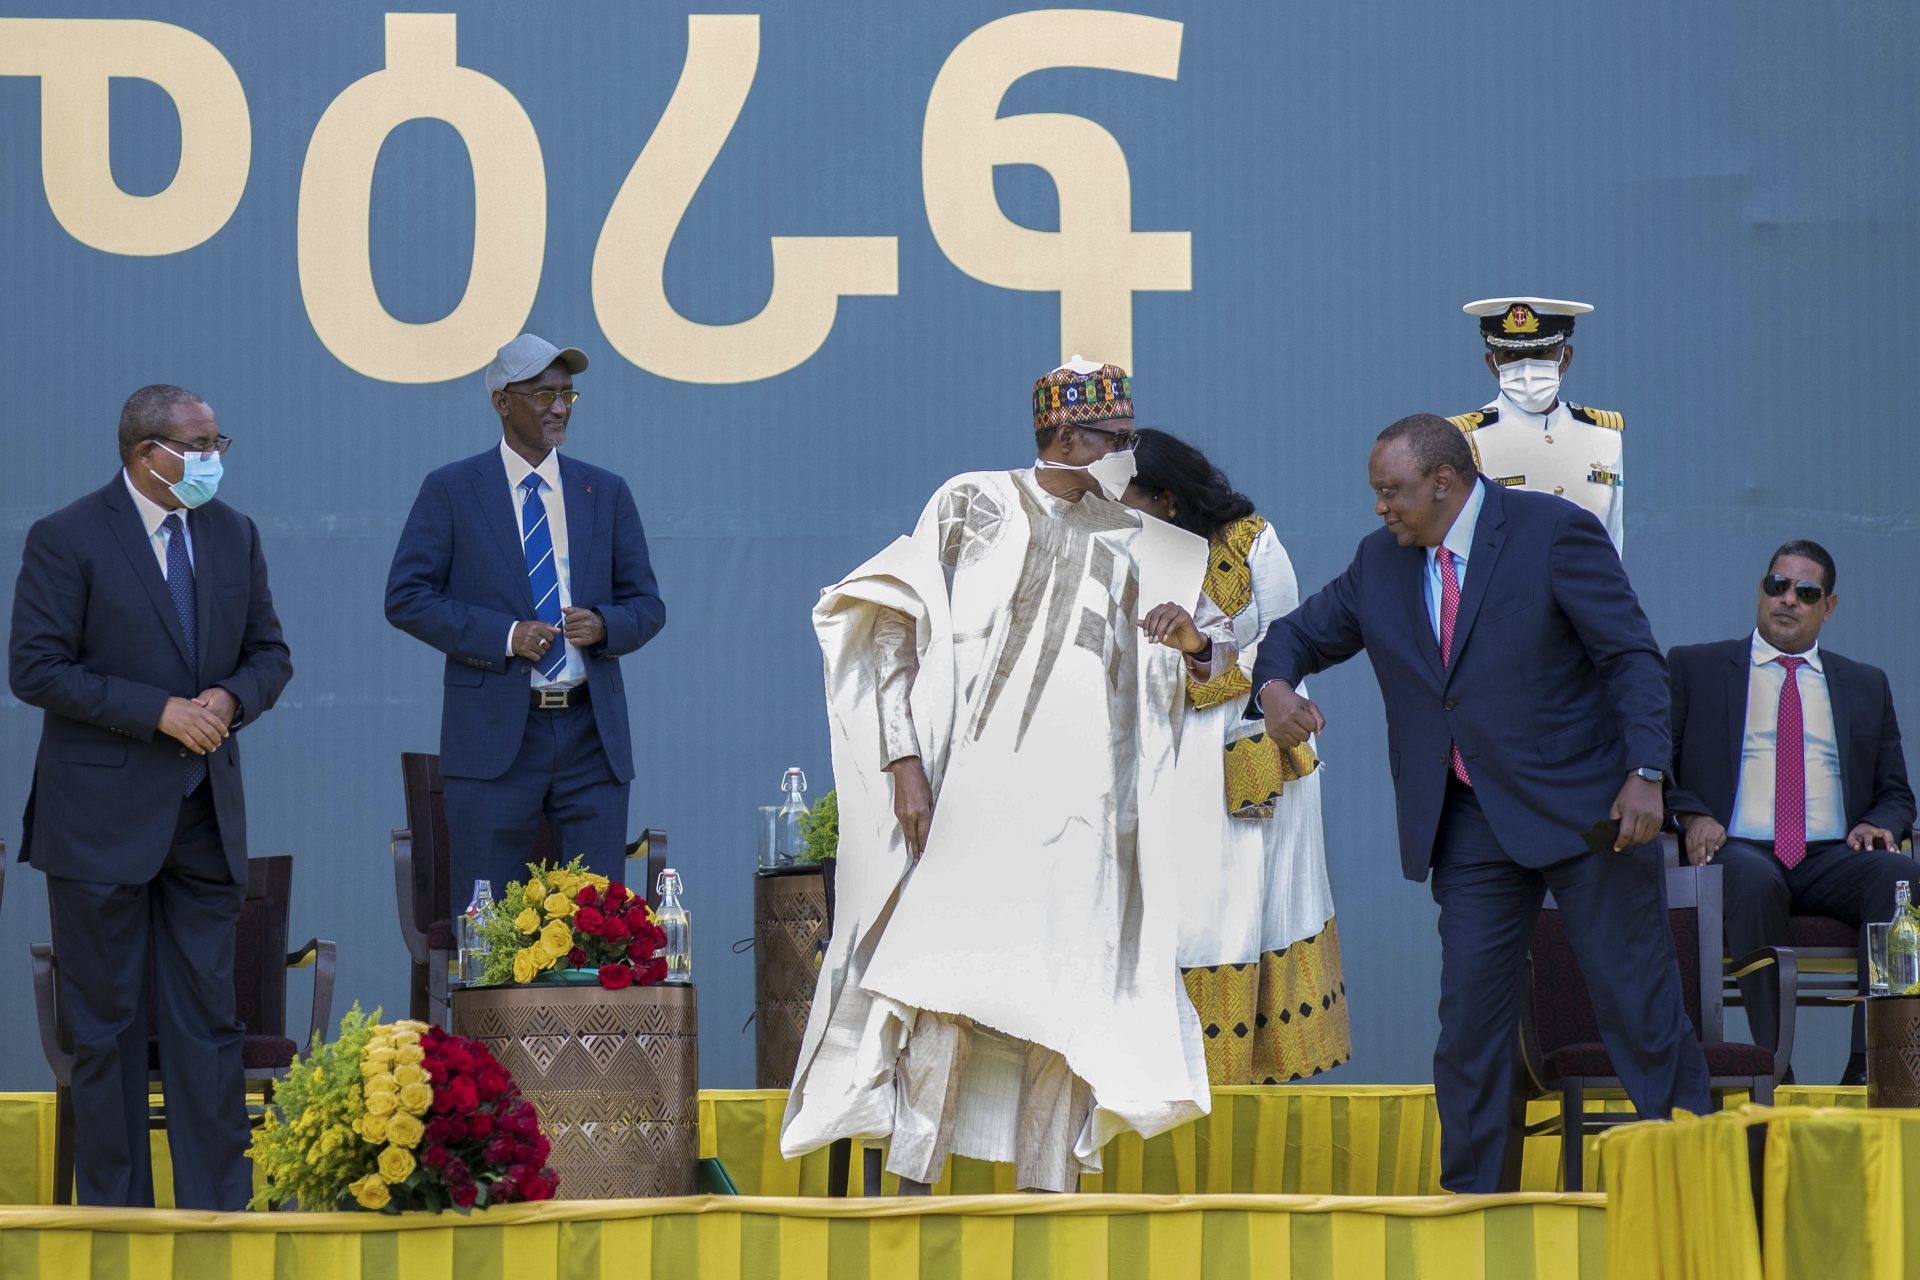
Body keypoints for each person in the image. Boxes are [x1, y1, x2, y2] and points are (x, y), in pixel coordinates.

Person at [781, 358, 1224, 1193]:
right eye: (1113, 439)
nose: (1128, 455)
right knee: (945, 990)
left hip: (1086, 813)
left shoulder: (1146, 545)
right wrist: (903, 763)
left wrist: (1192, 645)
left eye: (1129, 438)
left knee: (1071, 1002)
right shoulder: (970, 503)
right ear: (1064, 436)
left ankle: (1046, 1200)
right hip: (969, 799)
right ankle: (910, 1194)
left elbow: (1209, 673)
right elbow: (892, 636)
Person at [1249, 413, 1708, 1193]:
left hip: (1585, 810)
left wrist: (1647, 772)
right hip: (1466, 821)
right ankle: (1475, 1205)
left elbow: (1631, 657)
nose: (1380, 507)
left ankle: (1700, 1183)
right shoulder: (1379, 563)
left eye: (1391, 491)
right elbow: (1296, 634)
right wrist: (1274, 689)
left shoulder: (1553, 533)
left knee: (1635, 1003)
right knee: (1471, 1022)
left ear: (1444, 481)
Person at [8, 385, 293, 1209]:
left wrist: (230, 700)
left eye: (218, 443)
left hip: (204, 818)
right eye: (200, 446)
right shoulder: (69, 537)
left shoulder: (233, 535)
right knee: (107, 1030)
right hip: (98, 825)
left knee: (210, 1023)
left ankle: (217, 1213)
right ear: (146, 454)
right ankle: (117, 1217)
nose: (215, 460)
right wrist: (159, 711)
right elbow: (36, 667)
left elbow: (270, 652)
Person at [385, 334, 665, 890]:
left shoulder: (603, 491)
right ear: (502, 401)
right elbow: (407, 597)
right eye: (543, 395)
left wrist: (605, 625)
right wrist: (505, 635)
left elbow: (647, 606)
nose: (559, 408)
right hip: (494, 737)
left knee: (594, 919)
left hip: (591, 737)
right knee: (490, 923)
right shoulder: (452, 489)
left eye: (567, 395)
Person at [1119, 428, 1350, 1084]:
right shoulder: (1109, 550)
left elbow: (1288, 651)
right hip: (1159, 771)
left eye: (1125, 495)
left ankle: (1243, 1089)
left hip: (1249, 771)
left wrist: (1201, 653)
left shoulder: (1250, 543)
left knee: (1248, 911)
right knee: (1176, 924)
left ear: (1165, 498)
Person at [1666, 540, 1914, 1084]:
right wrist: (1691, 816)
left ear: (1828, 607)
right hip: (1739, 848)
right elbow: (1659, 769)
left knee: (1903, 877)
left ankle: (1876, 1061)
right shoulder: (1697, 668)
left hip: (1834, 857)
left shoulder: (1865, 684)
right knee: (1752, 878)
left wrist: (1880, 825)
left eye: (1806, 593)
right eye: (1777, 585)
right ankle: (1773, 1065)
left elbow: (1897, 793)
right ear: (1761, 590)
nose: (1787, 600)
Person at [1448, 297, 1625, 552]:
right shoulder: (1466, 437)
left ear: (1565, 358)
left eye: (1542, 353)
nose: (1527, 367)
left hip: (1587, 588)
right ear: (1493, 364)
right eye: (1512, 355)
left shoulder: (1603, 435)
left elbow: (1612, 537)